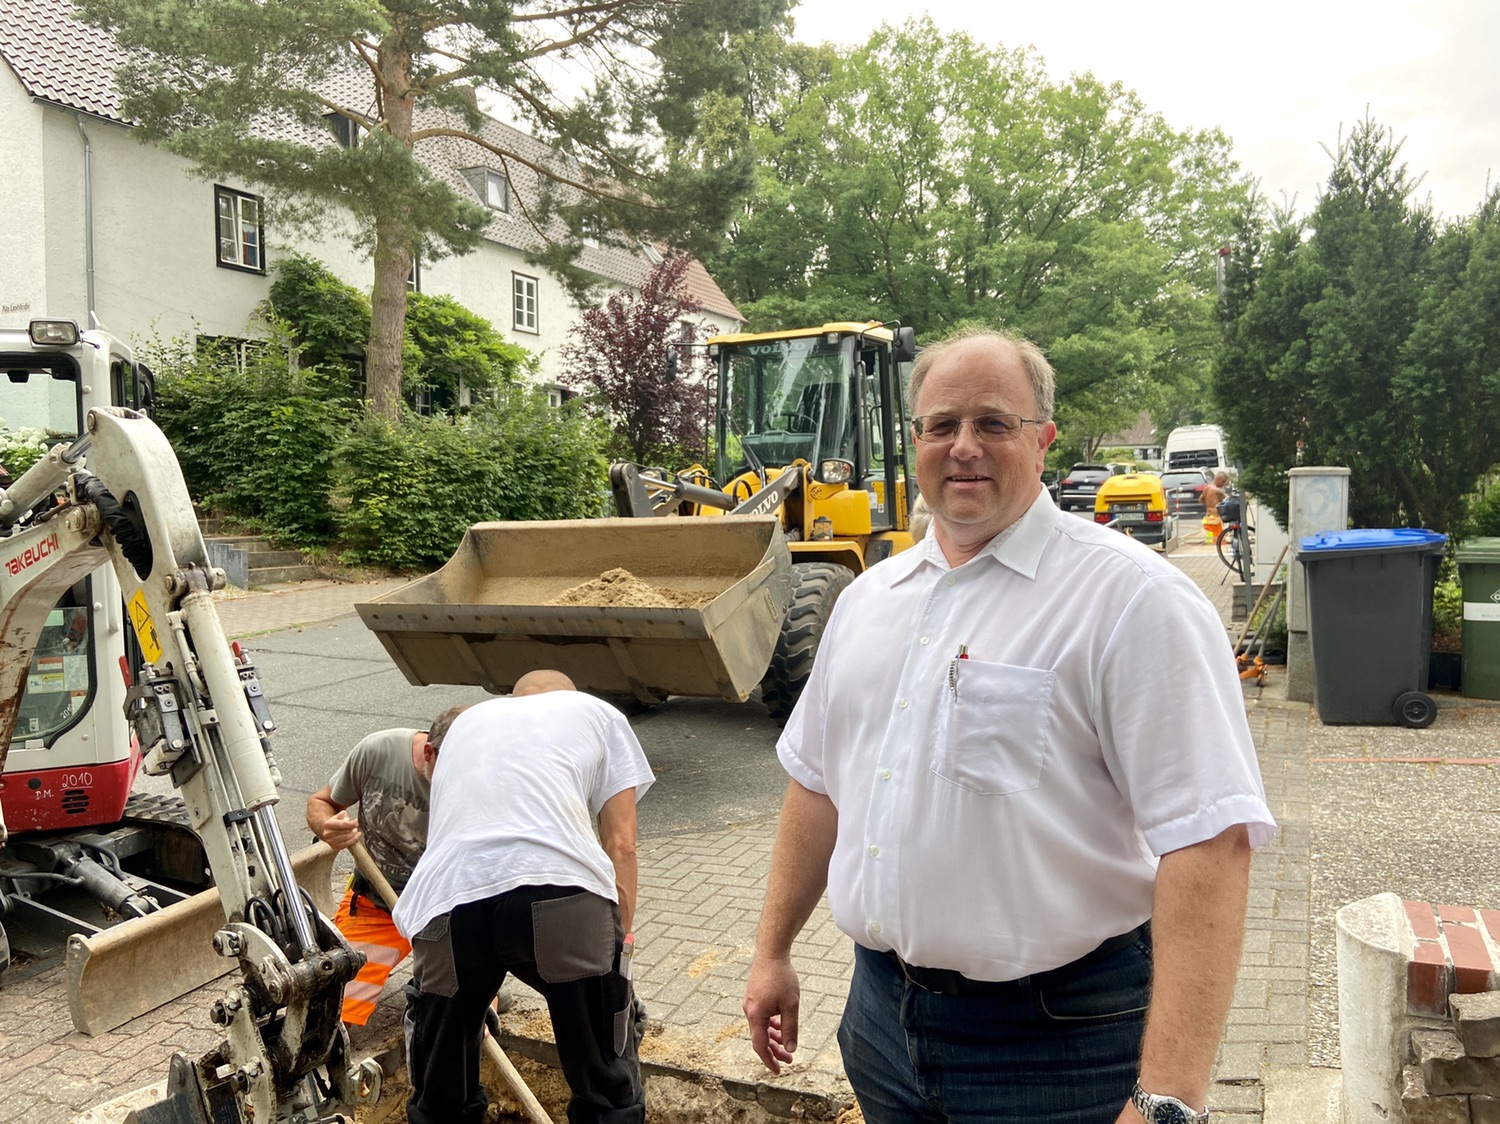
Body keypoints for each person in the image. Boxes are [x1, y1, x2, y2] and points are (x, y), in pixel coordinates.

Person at [742, 327, 1276, 1124]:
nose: (964, 447)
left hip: (1060, 1044)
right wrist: (771, 950)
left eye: (993, 423)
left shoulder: (1134, 602)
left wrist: (1170, 1097)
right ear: (914, 438)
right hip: (883, 1024)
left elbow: (1209, 843)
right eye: (940, 425)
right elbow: (818, 783)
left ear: (1044, 440)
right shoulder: (867, 600)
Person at [396, 669, 655, 1124]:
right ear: (569, 696)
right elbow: (622, 845)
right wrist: (620, 954)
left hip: (449, 902)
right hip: (562, 895)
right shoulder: (596, 713)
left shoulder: (466, 724)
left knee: (442, 1087)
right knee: (605, 1080)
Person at [306, 707, 466, 1026]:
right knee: (332, 1019)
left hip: (448, 914)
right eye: (453, 771)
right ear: (428, 752)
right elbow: (321, 803)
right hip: (378, 905)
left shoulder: (484, 779)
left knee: (463, 1018)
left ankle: (466, 985)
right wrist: (327, 827)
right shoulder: (379, 751)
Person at [1201, 471, 1231, 541]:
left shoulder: (1207, 488)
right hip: (1215, 519)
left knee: (1209, 540)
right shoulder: (1218, 491)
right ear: (1218, 479)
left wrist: (1209, 503)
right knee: (1219, 540)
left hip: (1207, 517)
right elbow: (1229, 500)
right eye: (1223, 481)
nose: (1224, 484)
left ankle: (1209, 551)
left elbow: (1201, 499)